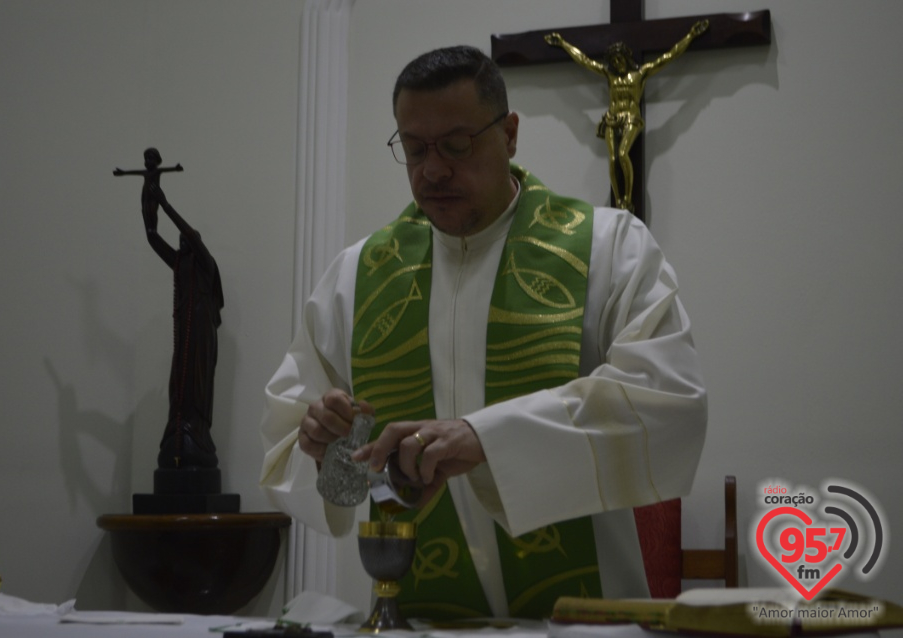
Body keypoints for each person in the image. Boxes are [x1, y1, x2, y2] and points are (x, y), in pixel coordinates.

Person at [260, 45, 706, 620]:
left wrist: (485, 439)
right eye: (414, 148)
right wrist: (330, 447)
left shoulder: (609, 249)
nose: (433, 169)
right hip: (421, 621)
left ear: (510, 133)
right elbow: (327, 474)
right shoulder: (357, 275)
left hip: (580, 624)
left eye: (456, 144)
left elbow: (668, 400)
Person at [122, 149, 224, 470]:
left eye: (185, 239)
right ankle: (179, 432)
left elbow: (192, 234)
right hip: (183, 333)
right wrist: (149, 194)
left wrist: (165, 203)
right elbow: (152, 237)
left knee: (196, 385)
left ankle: (196, 433)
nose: (181, 241)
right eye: (180, 240)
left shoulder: (206, 265)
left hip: (201, 336)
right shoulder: (180, 265)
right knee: (178, 386)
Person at [545, 21, 708, 213]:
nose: (616, 63)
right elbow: (584, 61)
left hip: (632, 117)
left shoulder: (640, 74)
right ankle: (618, 199)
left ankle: (628, 199)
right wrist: (564, 44)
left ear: (626, 58)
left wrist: (690, 36)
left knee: (623, 154)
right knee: (613, 159)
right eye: (613, 61)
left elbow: (668, 57)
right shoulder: (610, 76)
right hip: (612, 119)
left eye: (619, 59)